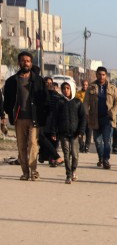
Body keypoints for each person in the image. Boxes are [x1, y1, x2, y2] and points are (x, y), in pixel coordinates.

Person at [2, 51, 51, 181]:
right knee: (21, 146)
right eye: (23, 61)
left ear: (31, 63)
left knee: (33, 144)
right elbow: (7, 100)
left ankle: (34, 171)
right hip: (19, 119)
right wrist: (9, 112)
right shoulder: (12, 81)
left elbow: (46, 100)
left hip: (34, 118)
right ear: (19, 63)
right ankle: (25, 172)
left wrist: (44, 115)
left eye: (28, 61)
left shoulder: (38, 81)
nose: (26, 63)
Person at [49, 81, 86, 184]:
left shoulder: (78, 102)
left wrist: (81, 131)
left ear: (72, 89)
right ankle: (68, 175)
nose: (66, 90)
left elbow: (83, 118)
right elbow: (55, 118)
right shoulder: (59, 102)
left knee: (75, 155)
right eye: (64, 88)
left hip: (75, 134)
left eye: (68, 88)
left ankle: (73, 170)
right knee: (66, 154)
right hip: (63, 133)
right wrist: (53, 132)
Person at [84, 66, 117, 170]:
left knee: (107, 140)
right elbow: (85, 102)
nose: (101, 76)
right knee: (97, 141)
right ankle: (101, 157)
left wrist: (113, 112)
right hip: (95, 118)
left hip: (107, 118)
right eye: (99, 74)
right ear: (96, 75)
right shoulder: (91, 87)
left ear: (106, 75)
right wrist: (86, 112)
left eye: (103, 75)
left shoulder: (113, 88)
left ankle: (106, 160)